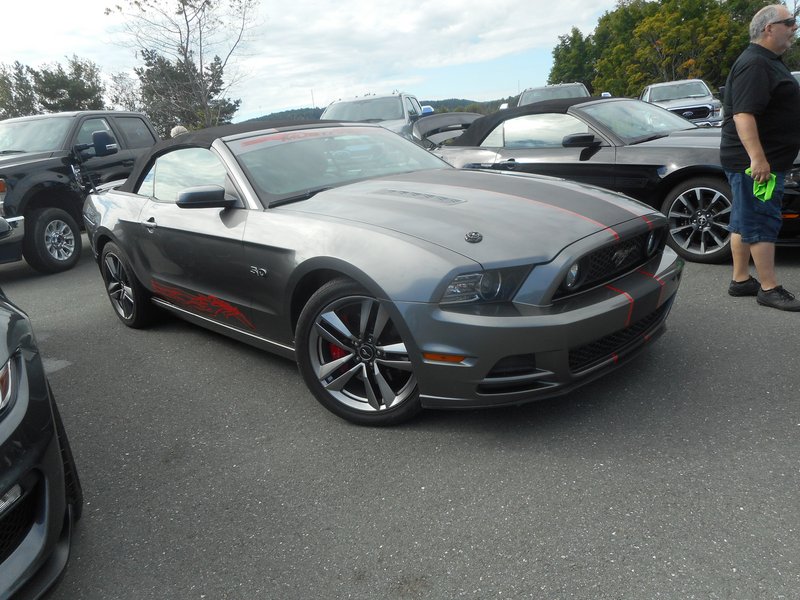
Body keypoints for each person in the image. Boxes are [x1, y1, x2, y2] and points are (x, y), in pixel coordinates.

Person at [720, 3, 800, 311]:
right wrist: (758, 158)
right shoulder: (756, 64)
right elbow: (743, 114)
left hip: (753, 161)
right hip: (755, 164)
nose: (794, 27)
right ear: (769, 28)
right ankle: (769, 288)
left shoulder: (767, 60)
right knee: (762, 220)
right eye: (789, 22)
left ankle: (741, 280)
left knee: (743, 220)